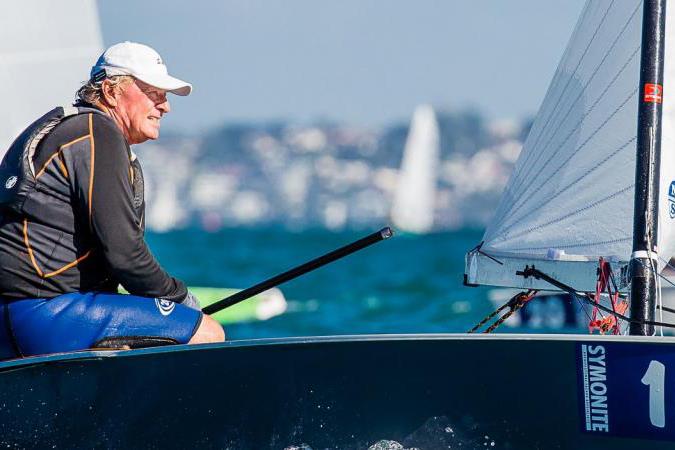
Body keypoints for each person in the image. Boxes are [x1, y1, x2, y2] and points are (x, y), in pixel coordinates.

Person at [0, 42, 224, 359]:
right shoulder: (97, 133)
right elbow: (125, 256)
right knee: (208, 333)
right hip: (47, 313)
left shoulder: (72, 130)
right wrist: (181, 299)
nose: (165, 106)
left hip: (13, 317)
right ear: (111, 91)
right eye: (153, 92)